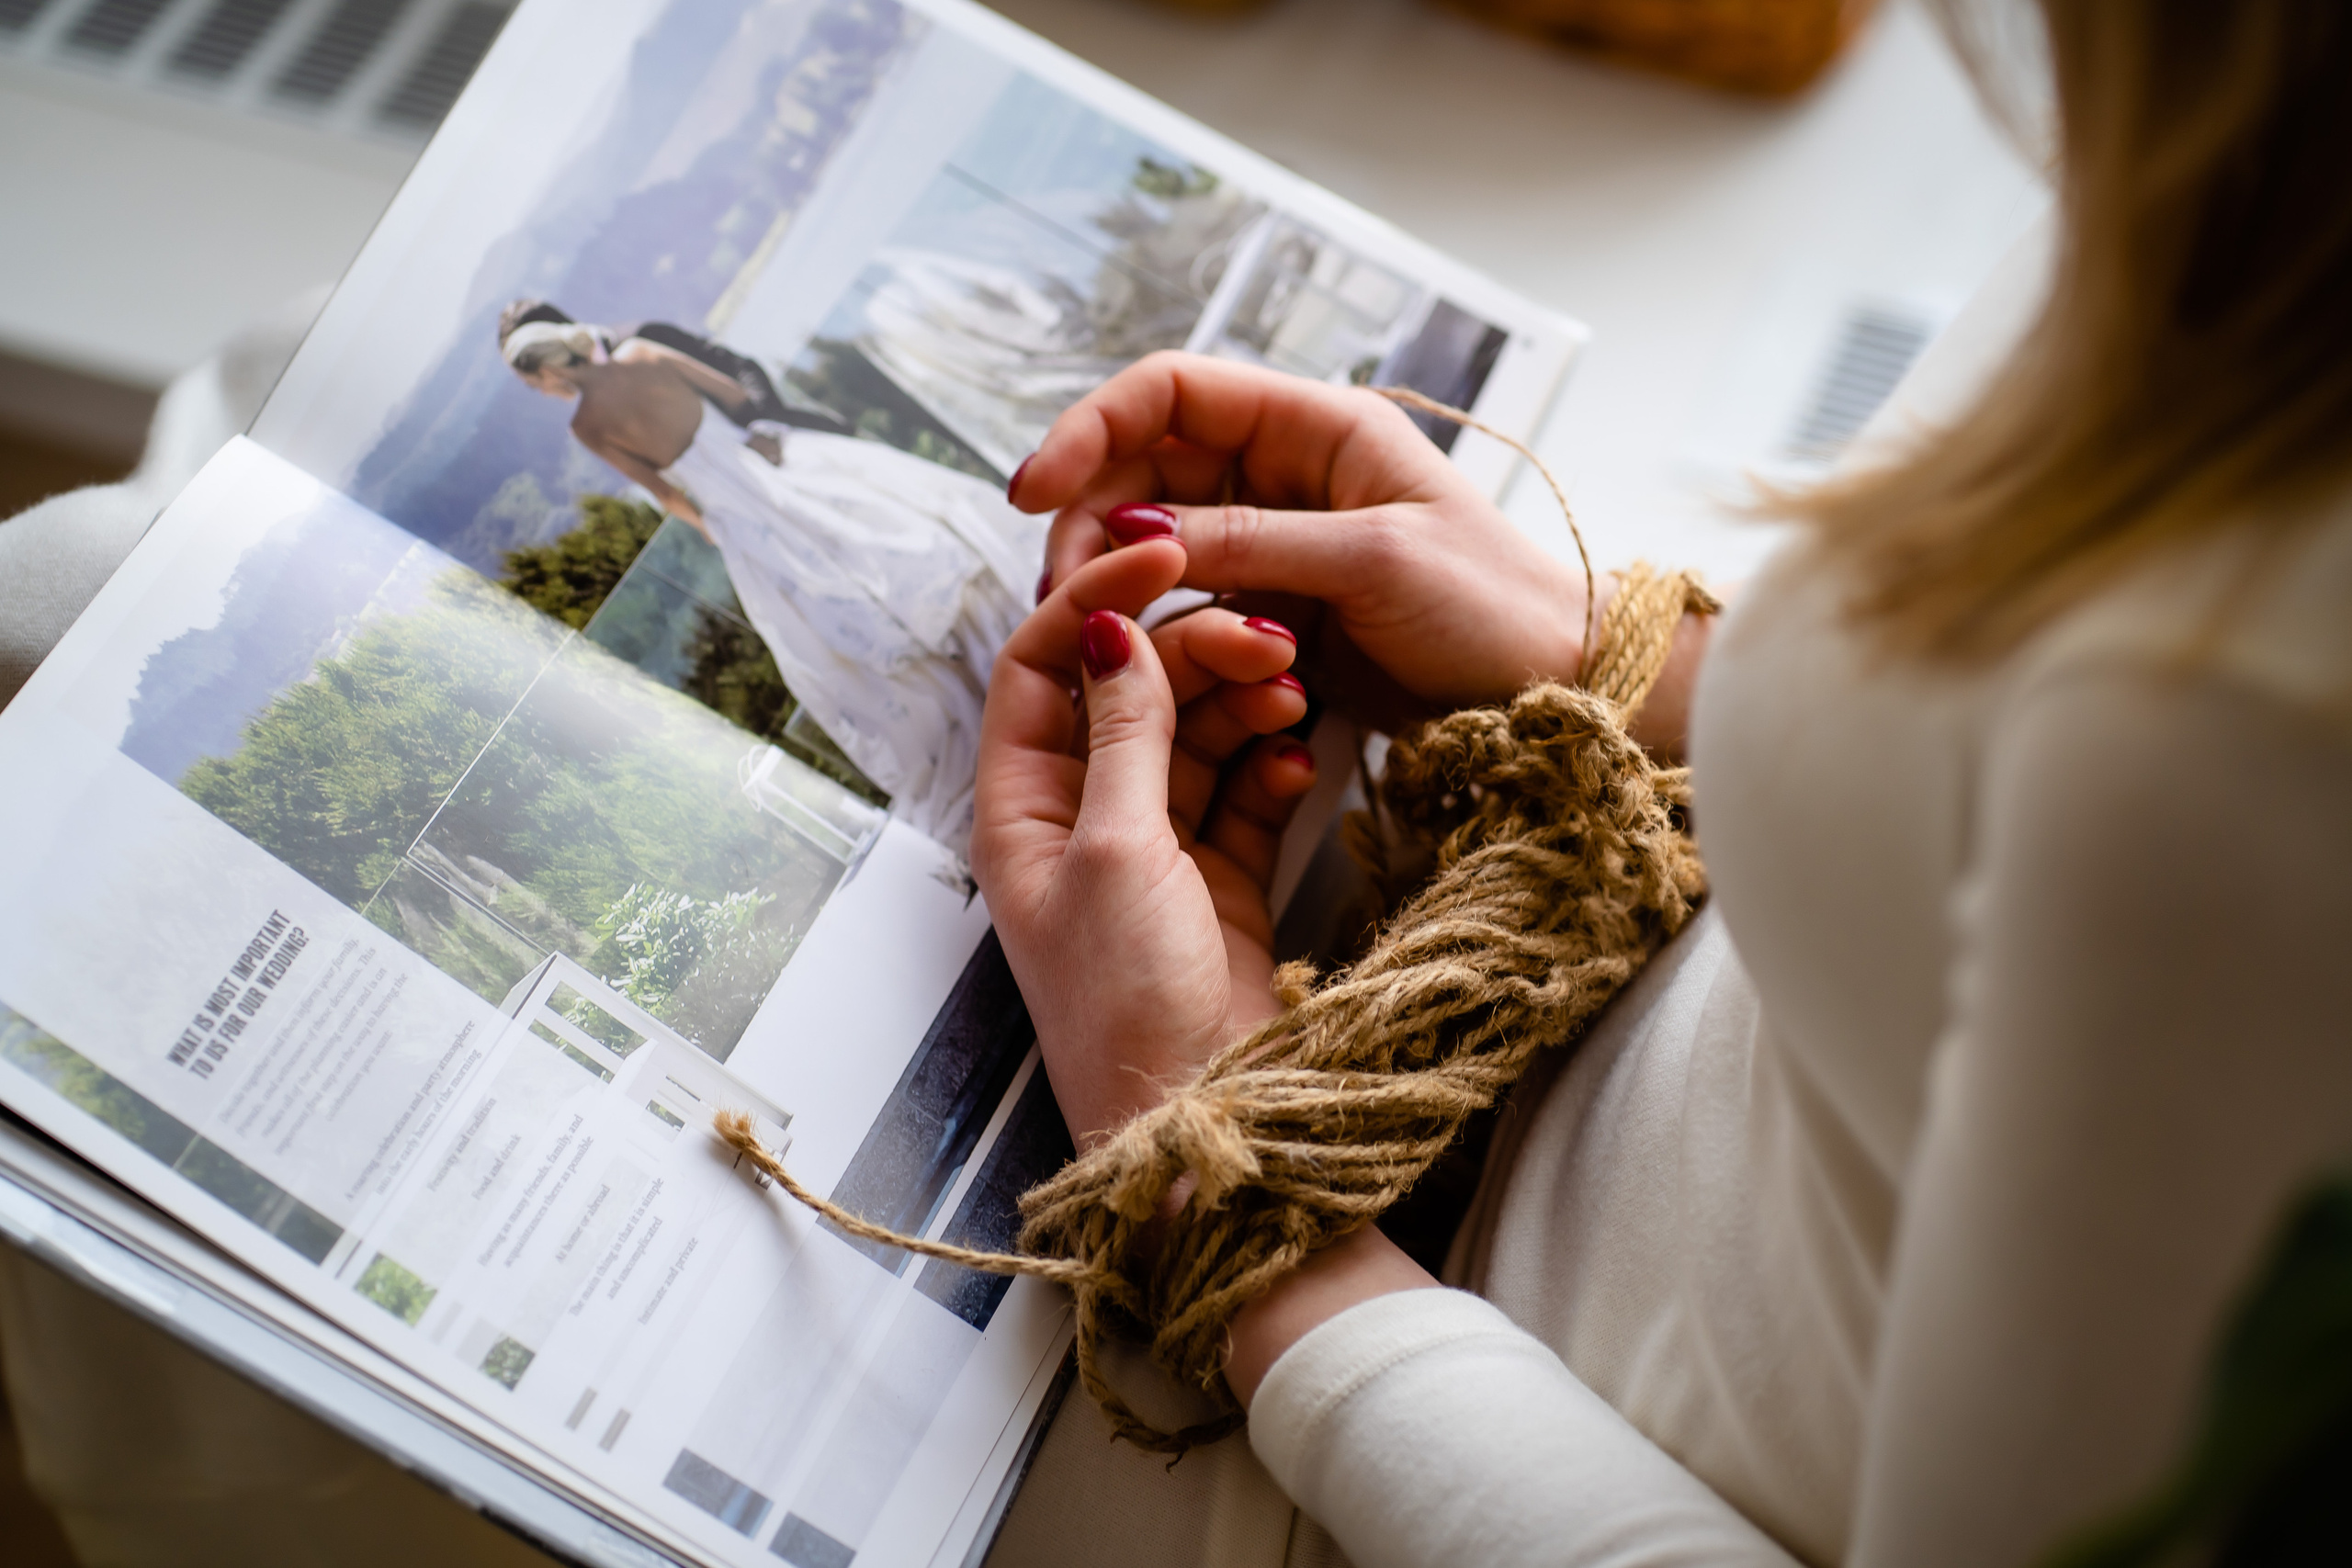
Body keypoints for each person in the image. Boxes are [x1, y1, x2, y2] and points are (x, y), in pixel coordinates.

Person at [971, 3, 2352, 1564]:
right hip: (1547, 1040)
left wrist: (1220, 1172)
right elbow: (2022, 810)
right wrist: (1635, 671)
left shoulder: (2265, 771)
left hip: (1408, 1431)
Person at [503, 321, 1041, 852]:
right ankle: (1018, 638)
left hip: (732, 511)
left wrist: (715, 528)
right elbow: (734, 392)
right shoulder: (643, 352)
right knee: (891, 535)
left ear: (549, 370)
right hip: (763, 456)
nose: (544, 393)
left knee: (826, 629)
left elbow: (664, 493)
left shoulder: (587, 426)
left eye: (536, 386)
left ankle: (988, 713)